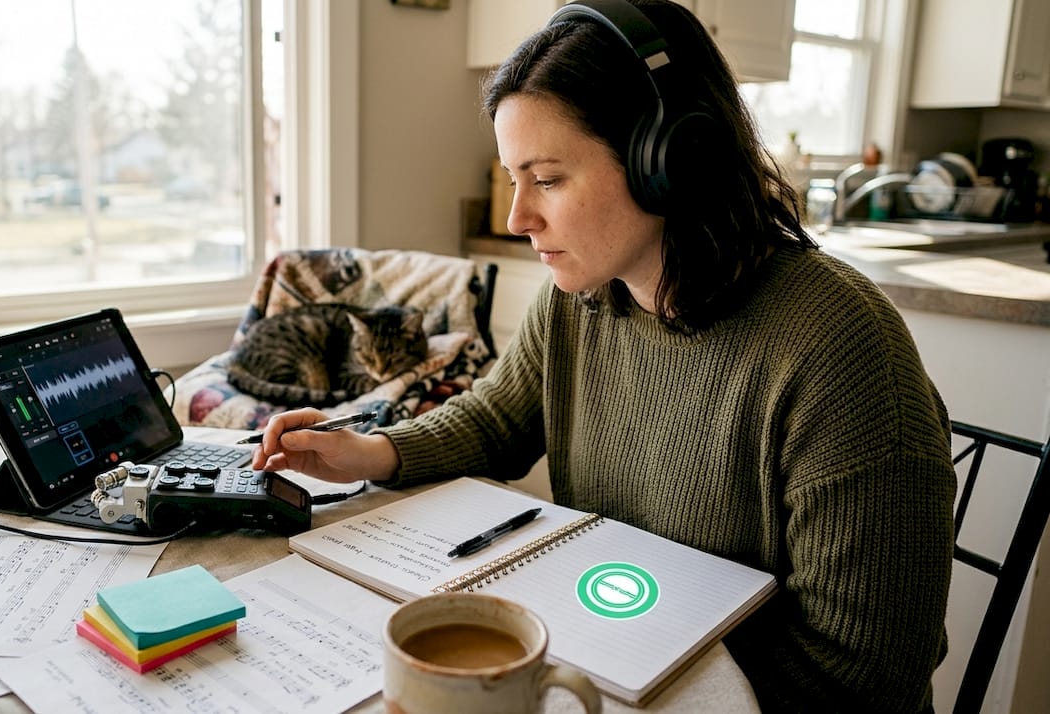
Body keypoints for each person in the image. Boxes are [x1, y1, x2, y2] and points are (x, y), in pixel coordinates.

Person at [251, 0, 956, 710]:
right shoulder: (584, 295)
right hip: (617, 666)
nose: (517, 218)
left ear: (672, 162)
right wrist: (372, 453)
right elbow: (499, 419)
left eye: (548, 179)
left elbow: (868, 675)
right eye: (513, 178)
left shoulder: (843, 352)